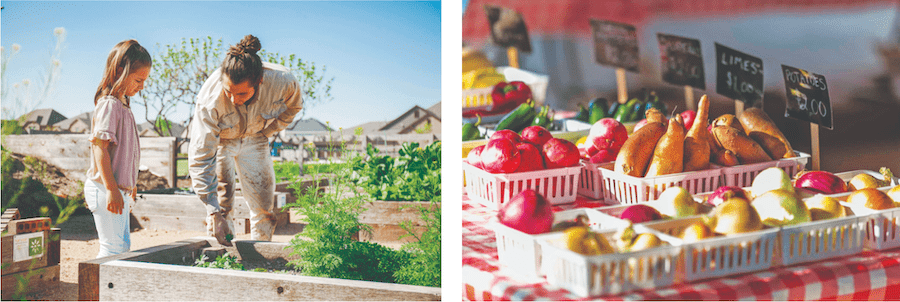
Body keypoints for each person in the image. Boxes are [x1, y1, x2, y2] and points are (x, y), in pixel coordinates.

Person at [189, 35, 303, 245]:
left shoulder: (283, 82)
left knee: (263, 205)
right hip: (223, 141)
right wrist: (212, 210)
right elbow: (201, 156)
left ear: (259, 82)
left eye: (241, 93)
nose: (234, 99)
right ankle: (225, 256)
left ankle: (261, 255)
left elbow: (294, 106)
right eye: (229, 91)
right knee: (222, 204)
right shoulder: (209, 99)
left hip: (256, 138)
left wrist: (269, 131)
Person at [84, 40, 151, 258]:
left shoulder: (123, 106)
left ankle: (108, 292)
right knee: (112, 249)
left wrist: (130, 185)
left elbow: (126, 154)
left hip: (116, 189)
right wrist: (112, 188)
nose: (141, 86)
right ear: (120, 71)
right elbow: (99, 149)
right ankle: (94, 290)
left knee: (122, 248)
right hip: (105, 188)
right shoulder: (109, 104)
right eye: (139, 80)